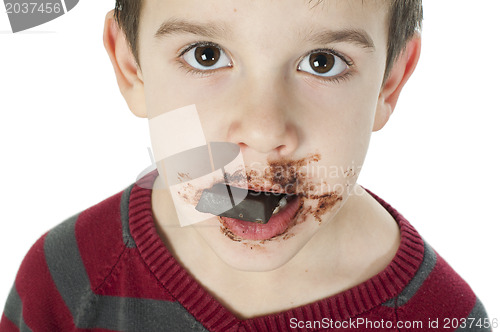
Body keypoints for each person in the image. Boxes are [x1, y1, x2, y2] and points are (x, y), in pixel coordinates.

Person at [0, 0, 492, 331]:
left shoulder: (447, 319)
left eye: (323, 62)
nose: (262, 130)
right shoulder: (67, 278)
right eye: (206, 55)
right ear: (132, 67)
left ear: (390, 82)